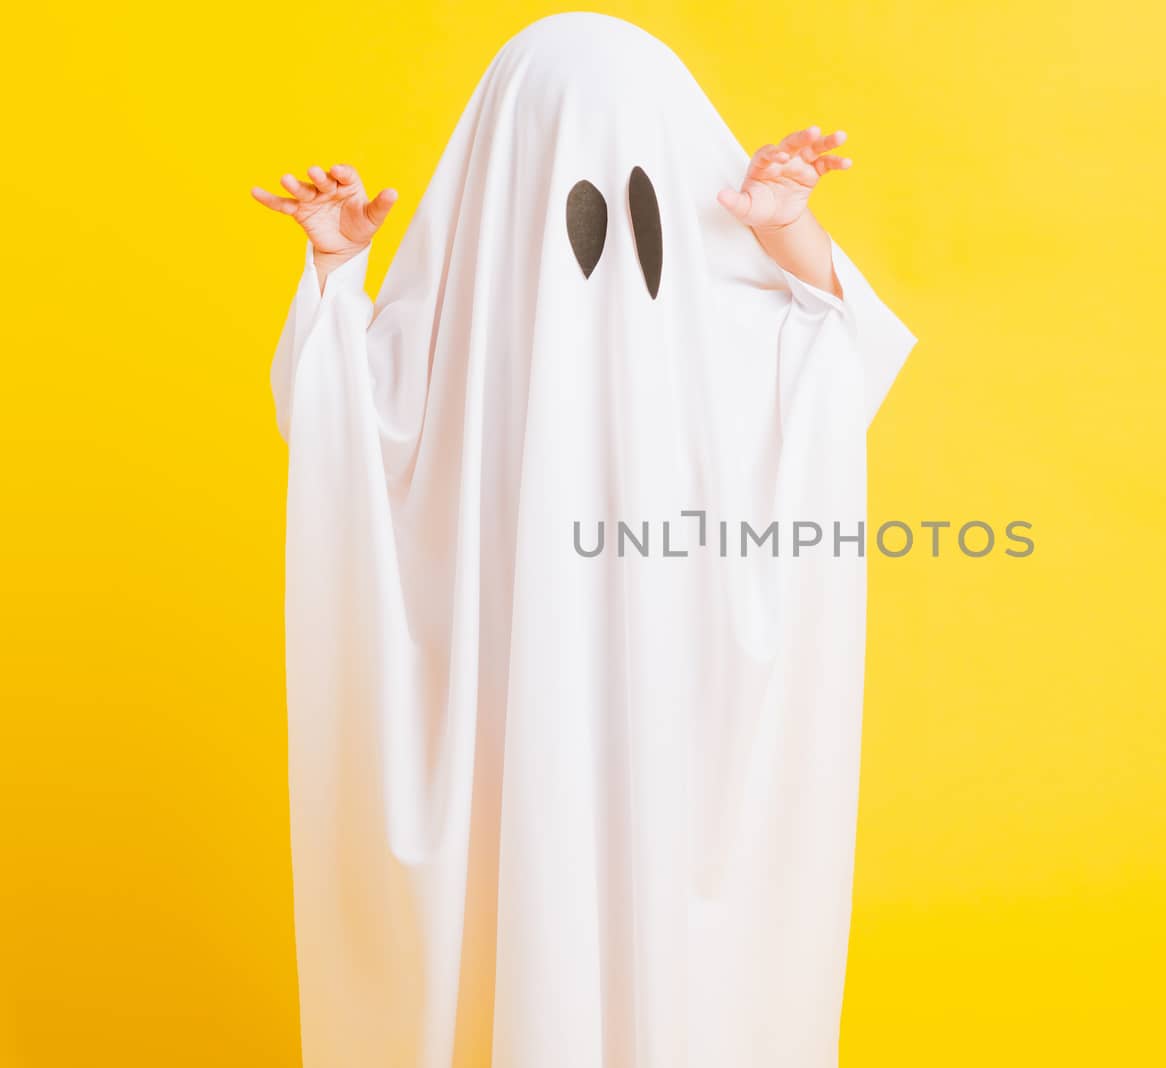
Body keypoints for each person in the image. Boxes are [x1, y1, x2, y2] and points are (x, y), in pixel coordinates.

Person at [252, 13, 914, 1068]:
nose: (596, 240)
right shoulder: (450, 330)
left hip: (672, 690)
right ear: (499, 187)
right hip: (506, 697)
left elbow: (840, 354)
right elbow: (336, 423)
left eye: (635, 190)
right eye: (559, 191)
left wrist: (786, 234)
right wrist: (334, 277)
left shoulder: (711, 333)